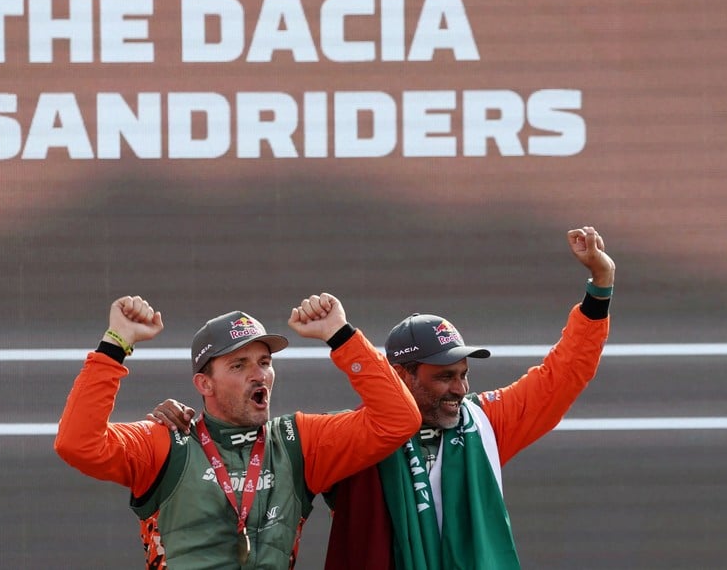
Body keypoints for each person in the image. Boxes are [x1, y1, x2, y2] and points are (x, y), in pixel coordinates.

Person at [152, 225, 615, 569]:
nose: (460, 388)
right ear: (402, 377)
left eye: (463, 374)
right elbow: (248, 446)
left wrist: (599, 290)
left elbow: (564, 374)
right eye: (444, 376)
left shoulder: (488, 422)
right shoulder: (356, 441)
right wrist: (189, 422)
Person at [54, 292, 421, 570]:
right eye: (239, 365)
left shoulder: (299, 441)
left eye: (264, 362)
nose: (258, 374)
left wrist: (342, 336)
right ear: (204, 384)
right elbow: (77, 444)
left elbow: (399, 419)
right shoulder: (166, 440)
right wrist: (115, 345)